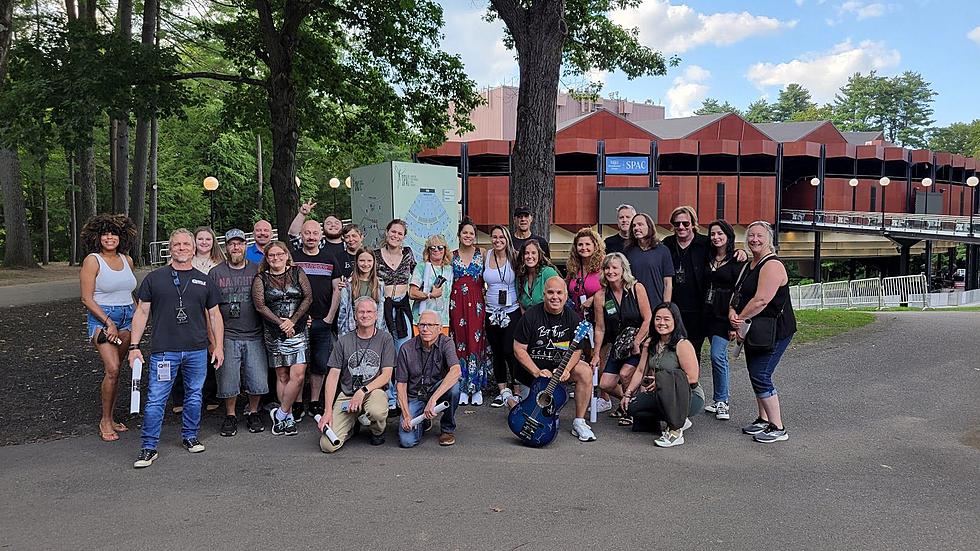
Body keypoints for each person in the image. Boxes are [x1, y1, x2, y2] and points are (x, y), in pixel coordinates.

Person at [129, 229, 224, 469]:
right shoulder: (154, 279)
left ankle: (190, 436)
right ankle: (148, 447)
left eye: (186, 244)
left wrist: (219, 346)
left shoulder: (205, 280)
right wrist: (134, 346)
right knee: (156, 399)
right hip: (165, 350)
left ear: (194, 249)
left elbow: (214, 315)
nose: (181, 248)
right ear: (169, 249)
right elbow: (141, 312)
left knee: (194, 395)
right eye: (176, 245)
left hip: (196, 349)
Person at [729, 221, 797, 443]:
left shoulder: (772, 265)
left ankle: (778, 427)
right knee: (755, 373)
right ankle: (763, 418)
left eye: (759, 235)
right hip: (754, 329)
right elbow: (739, 293)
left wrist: (739, 319)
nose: (754, 240)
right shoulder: (750, 264)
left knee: (761, 374)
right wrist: (732, 311)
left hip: (774, 330)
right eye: (751, 236)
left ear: (769, 238)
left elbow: (761, 300)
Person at [513, 277, 597, 442]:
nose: (555, 297)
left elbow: (577, 350)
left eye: (559, 293)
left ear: (566, 296)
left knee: (585, 371)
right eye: (550, 292)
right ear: (544, 295)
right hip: (533, 376)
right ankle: (512, 400)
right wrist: (536, 371)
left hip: (557, 372)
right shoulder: (531, 316)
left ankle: (579, 421)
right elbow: (518, 349)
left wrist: (565, 369)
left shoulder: (573, 318)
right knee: (524, 414)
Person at [80, 214, 138, 442]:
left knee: (117, 370)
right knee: (112, 368)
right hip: (103, 319)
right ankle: (105, 420)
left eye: (113, 233)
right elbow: (86, 298)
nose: (109, 237)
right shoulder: (92, 260)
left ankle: (112, 417)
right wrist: (108, 322)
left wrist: (138, 319)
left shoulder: (127, 260)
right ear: (97, 237)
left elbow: (129, 293)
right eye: (105, 233)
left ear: (121, 237)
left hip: (127, 318)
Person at [209, 229, 268, 436]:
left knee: (257, 378)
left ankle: (253, 411)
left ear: (245, 246)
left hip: (254, 332)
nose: (236, 247)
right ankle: (231, 414)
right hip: (227, 334)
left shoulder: (257, 269)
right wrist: (213, 340)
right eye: (232, 244)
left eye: (240, 243)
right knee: (228, 379)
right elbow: (210, 308)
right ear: (226, 247)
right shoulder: (216, 273)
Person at [317, 297, 396, 452]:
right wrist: (327, 412)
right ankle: (351, 426)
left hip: (373, 392)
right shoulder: (343, 341)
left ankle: (377, 431)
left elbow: (386, 375)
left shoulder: (385, 339)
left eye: (369, 312)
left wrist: (362, 391)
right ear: (354, 315)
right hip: (347, 394)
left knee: (376, 410)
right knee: (327, 446)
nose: (365, 315)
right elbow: (333, 376)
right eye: (361, 311)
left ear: (376, 315)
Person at [251, 241, 313, 436]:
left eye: (279, 254)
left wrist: (292, 321)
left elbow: (308, 298)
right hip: (274, 332)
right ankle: (287, 420)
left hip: (298, 330)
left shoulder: (297, 272)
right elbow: (260, 306)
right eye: (271, 256)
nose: (276, 258)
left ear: (286, 255)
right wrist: (281, 323)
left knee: (299, 375)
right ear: (267, 258)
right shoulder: (261, 278)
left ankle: (281, 413)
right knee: (283, 375)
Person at [621, 302, 703, 448]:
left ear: (675, 321)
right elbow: (640, 370)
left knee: (668, 382)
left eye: (666, 319)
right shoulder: (650, 342)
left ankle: (675, 431)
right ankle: (678, 420)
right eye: (658, 318)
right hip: (661, 393)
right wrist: (627, 393)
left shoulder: (682, 344)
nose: (661, 323)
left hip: (687, 396)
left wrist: (662, 381)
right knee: (634, 407)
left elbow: (692, 378)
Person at [590, 253, 651, 426]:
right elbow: (600, 328)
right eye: (607, 268)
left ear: (623, 269)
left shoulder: (636, 288)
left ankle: (631, 410)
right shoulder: (601, 296)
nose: (610, 271)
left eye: (614, 267)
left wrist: (637, 342)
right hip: (618, 346)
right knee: (605, 384)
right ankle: (630, 400)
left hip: (637, 343)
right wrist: (596, 354)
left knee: (625, 374)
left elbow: (648, 318)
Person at [290, 220, 340, 421]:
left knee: (319, 365)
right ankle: (297, 402)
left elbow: (337, 289)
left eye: (314, 233)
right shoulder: (293, 259)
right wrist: (296, 318)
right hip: (298, 322)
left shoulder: (330, 258)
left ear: (321, 236)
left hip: (323, 320)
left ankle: (315, 402)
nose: (311, 236)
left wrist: (329, 317)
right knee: (299, 365)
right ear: (301, 235)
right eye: (307, 233)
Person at [395, 310, 462, 448]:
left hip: (436, 393)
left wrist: (433, 400)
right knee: (407, 441)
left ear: (439, 328)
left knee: (454, 388)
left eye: (431, 325)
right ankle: (424, 421)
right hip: (415, 396)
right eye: (422, 325)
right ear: (417, 327)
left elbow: (456, 370)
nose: (425, 329)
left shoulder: (446, 342)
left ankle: (447, 429)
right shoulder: (406, 348)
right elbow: (400, 385)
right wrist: (406, 415)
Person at [702, 220, 745, 421]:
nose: (716, 237)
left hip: (723, 316)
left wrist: (734, 323)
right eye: (712, 234)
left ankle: (723, 401)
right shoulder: (706, 256)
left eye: (720, 233)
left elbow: (741, 291)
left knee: (717, 355)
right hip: (704, 314)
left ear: (728, 236)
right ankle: (713, 398)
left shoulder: (737, 260)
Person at [375, 219, 417, 410]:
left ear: (404, 237)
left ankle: (404, 394)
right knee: (385, 352)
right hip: (383, 308)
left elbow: (418, 277)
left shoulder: (408, 254)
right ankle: (389, 395)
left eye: (400, 233)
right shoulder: (375, 256)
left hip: (402, 307)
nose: (396, 236)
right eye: (393, 231)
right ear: (387, 232)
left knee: (404, 351)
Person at [449, 218, 490, 406]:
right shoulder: (451, 255)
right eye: (464, 233)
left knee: (476, 343)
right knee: (460, 343)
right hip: (457, 304)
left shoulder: (482, 253)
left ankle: (477, 387)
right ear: (459, 235)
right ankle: (463, 387)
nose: (468, 236)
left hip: (477, 304)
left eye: (471, 233)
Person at [484, 225, 523, 408]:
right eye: (494, 237)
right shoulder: (487, 255)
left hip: (511, 310)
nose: (497, 240)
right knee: (497, 352)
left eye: (501, 237)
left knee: (510, 351)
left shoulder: (514, 256)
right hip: (491, 311)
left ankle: (517, 390)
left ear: (507, 239)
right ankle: (502, 391)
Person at [331, 247, 387, 336]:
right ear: (356, 262)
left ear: (374, 262)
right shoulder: (348, 284)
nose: (365, 264)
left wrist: (379, 333)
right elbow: (343, 311)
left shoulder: (379, 284)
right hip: (352, 329)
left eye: (369, 261)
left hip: (373, 330)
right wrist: (342, 334)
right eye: (362, 260)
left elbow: (381, 311)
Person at [624, 212, 673, 308]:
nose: (636, 228)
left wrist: (665, 307)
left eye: (640, 225)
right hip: (634, 306)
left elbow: (668, 283)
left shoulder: (662, 250)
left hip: (656, 305)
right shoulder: (628, 251)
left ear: (649, 227)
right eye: (634, 226)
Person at [408, 234, 453, 332]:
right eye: (432, 247)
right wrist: (430, 295)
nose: (437, 250)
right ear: (428, 250)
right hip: (422, 321)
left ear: (445, 250)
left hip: (442, 321)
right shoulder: (421, 267)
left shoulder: (449, 269)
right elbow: (412, 293)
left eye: (440, 247)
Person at [566, 228, 604, 321]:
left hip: (600, 318)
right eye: (580, 244)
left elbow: (613, 289)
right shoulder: (573, 267)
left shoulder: (604, 265)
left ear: (595, 246)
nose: (583, 248)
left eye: (587, 244)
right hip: (577, 318)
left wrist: (594, 298)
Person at [517, 239, 560, 310]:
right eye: (526, 253)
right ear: (522, 256)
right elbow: (520, 302)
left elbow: (560, 297)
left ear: (539, 255)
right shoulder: (520, 276)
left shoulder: (548, 272)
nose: (530, 256)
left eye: (533, 253)